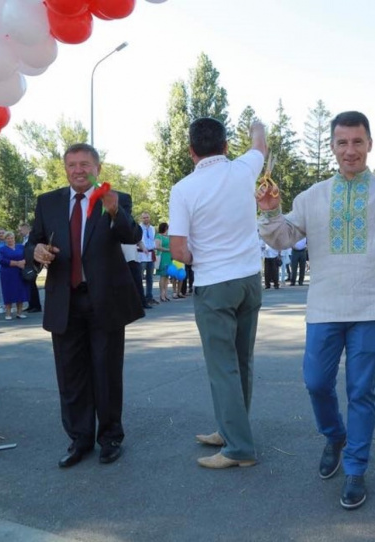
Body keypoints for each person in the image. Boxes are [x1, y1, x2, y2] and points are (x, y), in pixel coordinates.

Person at [258, 111, 375, 510]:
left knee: (361, 389)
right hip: (325, 304)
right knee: (315, 382)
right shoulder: (311, 197)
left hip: (371, 303)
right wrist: (271, 210)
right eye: (342, 143)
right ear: (332, 146)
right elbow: (281, 238)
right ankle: (334, 435)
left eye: (357, 142)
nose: (350, 150)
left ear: (370, 144)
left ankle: (356, 469)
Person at [25, 143, 144, 468]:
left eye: (85, 164)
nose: (79, 169)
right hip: (65, 301)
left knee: (106, 373)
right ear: (65, 168)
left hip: (104, 300)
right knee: (70, 374)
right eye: (72, 164)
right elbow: (33, 241)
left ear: (97, 168)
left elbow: (131, 236)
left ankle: (110, 438)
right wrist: (35, 253)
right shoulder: (48, 202)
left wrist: (115, 211)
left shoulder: (115, 198)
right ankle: (79, 440)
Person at [168, 117, 266, 469]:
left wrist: (200, 255)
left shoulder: (184, 189)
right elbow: (259, 146)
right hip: (249, 279)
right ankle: (232, 429)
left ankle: (238, 448)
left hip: (214, 283)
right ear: (225, 146)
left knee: (222, 366)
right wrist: (257, 126)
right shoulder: (243, 169)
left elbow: (179, 250)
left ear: (192, 151)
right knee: (242, 361)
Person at [0, 231, 30, 320]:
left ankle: (19, 313)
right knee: (8, 292)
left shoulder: (21, 247)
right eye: (8, 238)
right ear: (5, 239)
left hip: (20, 273)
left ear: (14, 238)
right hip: (7, 274)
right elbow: (1, 260)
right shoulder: (1, 249)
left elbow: (28, 256)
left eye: (11, 238)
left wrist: (23, 262)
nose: (10, 240)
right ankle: (8, 313)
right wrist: (16, 263)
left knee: (20, 291)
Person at [19, 222, 42, 313]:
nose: (20, 232)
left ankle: (36, 306)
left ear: (27, 229)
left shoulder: (32, 239)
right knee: (29, 286)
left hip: (32, 265)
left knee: (33, 286)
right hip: (27, 266)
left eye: (21, 230)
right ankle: (31, 305)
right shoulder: (24, 239)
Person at [137, 212, 158, 304]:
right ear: (141, 219)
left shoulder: (152, 228)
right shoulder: (138, 228)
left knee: (150, 277)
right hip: (141, 255)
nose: (146, 219)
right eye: (144, 218)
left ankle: (149, 296)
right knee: (140, 277)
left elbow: (153, 239)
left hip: (150, 254)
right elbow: (137, 240)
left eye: (147, 217)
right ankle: (140, 297)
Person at [155, 223, 173, 302]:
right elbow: (157, 247)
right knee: (163, 276)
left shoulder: (168, 236)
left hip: (169, 257)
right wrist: (167, 250)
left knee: (167, 276)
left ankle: (165, 294)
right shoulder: (158, 236)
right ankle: (161, 294)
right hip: (162, 256)